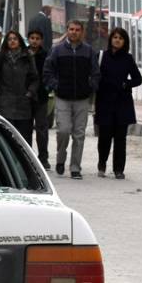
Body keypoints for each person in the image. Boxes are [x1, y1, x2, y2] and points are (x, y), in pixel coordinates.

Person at [42, 19, 100, 179]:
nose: (74, 32)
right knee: (63, 130)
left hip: (82, 98)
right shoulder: (57, 50)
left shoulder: (88, 51)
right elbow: (47, 71)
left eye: (77, 30)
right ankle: (60, 159)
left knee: (79, 134)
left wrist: (91, 87)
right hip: (63, 97)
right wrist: (55, 85)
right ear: (67, 31)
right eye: (71, 29)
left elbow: (95, 73)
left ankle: (75, 167)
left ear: (82, 32)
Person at [94, 28, 142, 179]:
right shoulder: (102, 56)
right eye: (115, 37)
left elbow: (138, 79)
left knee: (120, 139)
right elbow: (94, 75)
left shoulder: (128, 59)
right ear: (110, 39)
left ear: (125, 42)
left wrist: (126, 84)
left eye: (120, 38)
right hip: (104, 102)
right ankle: (102, 164)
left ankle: (119, 169)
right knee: (105, 137)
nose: (117, 40)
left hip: (122, 103)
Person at [0, 30, 39, 142]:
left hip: (23, 103)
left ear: (19, 41)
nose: (12, 41)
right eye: (9, 39)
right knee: (6, 137)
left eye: (15, 39)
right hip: (5, 103)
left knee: (23, 138)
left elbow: (35, 78)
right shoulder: (0, 57)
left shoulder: (27, 57)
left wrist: (30, 93)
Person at [26, 28, 51, 169]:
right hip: (26, 97)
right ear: (28, 39)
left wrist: (47, 87)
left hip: (41, 97)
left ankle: (43, 158)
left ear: (41, 40)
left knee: (42, 129)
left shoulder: (46, 55)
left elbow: (49, 73)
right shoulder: (23, 54)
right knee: (26, 128)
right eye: (32, 38)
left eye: (37, 38)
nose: (34, 41)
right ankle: (28, 157)